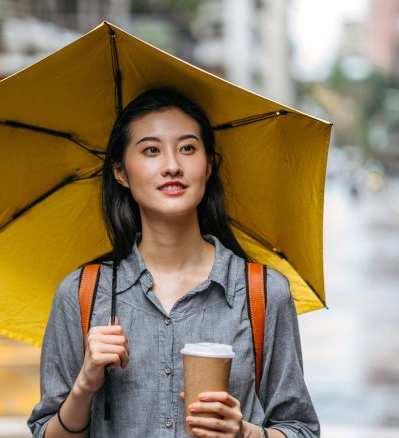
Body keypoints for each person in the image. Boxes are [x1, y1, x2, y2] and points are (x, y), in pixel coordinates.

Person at [28, 88, 319, 438]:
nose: (172, 166)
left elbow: (301, 429)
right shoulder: (82, 293)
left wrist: (245, 434)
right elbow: (46, 432)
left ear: (208, 165)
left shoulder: (262, 293)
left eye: (187, 148)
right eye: (151, 150)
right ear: (120, 172)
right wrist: (84, 386)